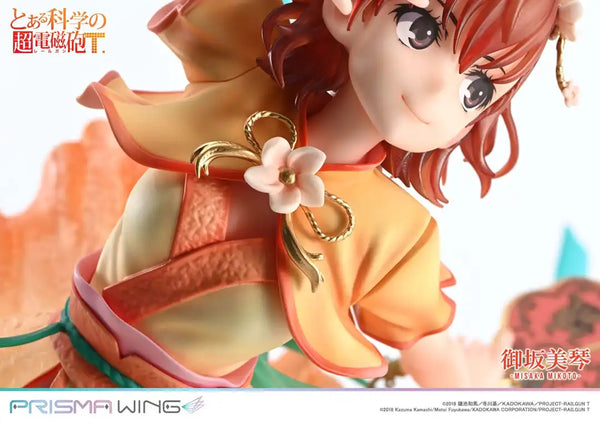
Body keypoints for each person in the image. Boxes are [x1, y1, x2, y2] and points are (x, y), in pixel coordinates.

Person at [0, 0, 582, 388]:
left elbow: (432, 352)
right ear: (348, 10)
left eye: (477, 88)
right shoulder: (242, 85)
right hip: (44, 368)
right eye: (421, 31)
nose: (438, 90)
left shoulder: (397, 234)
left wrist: (483, 387)